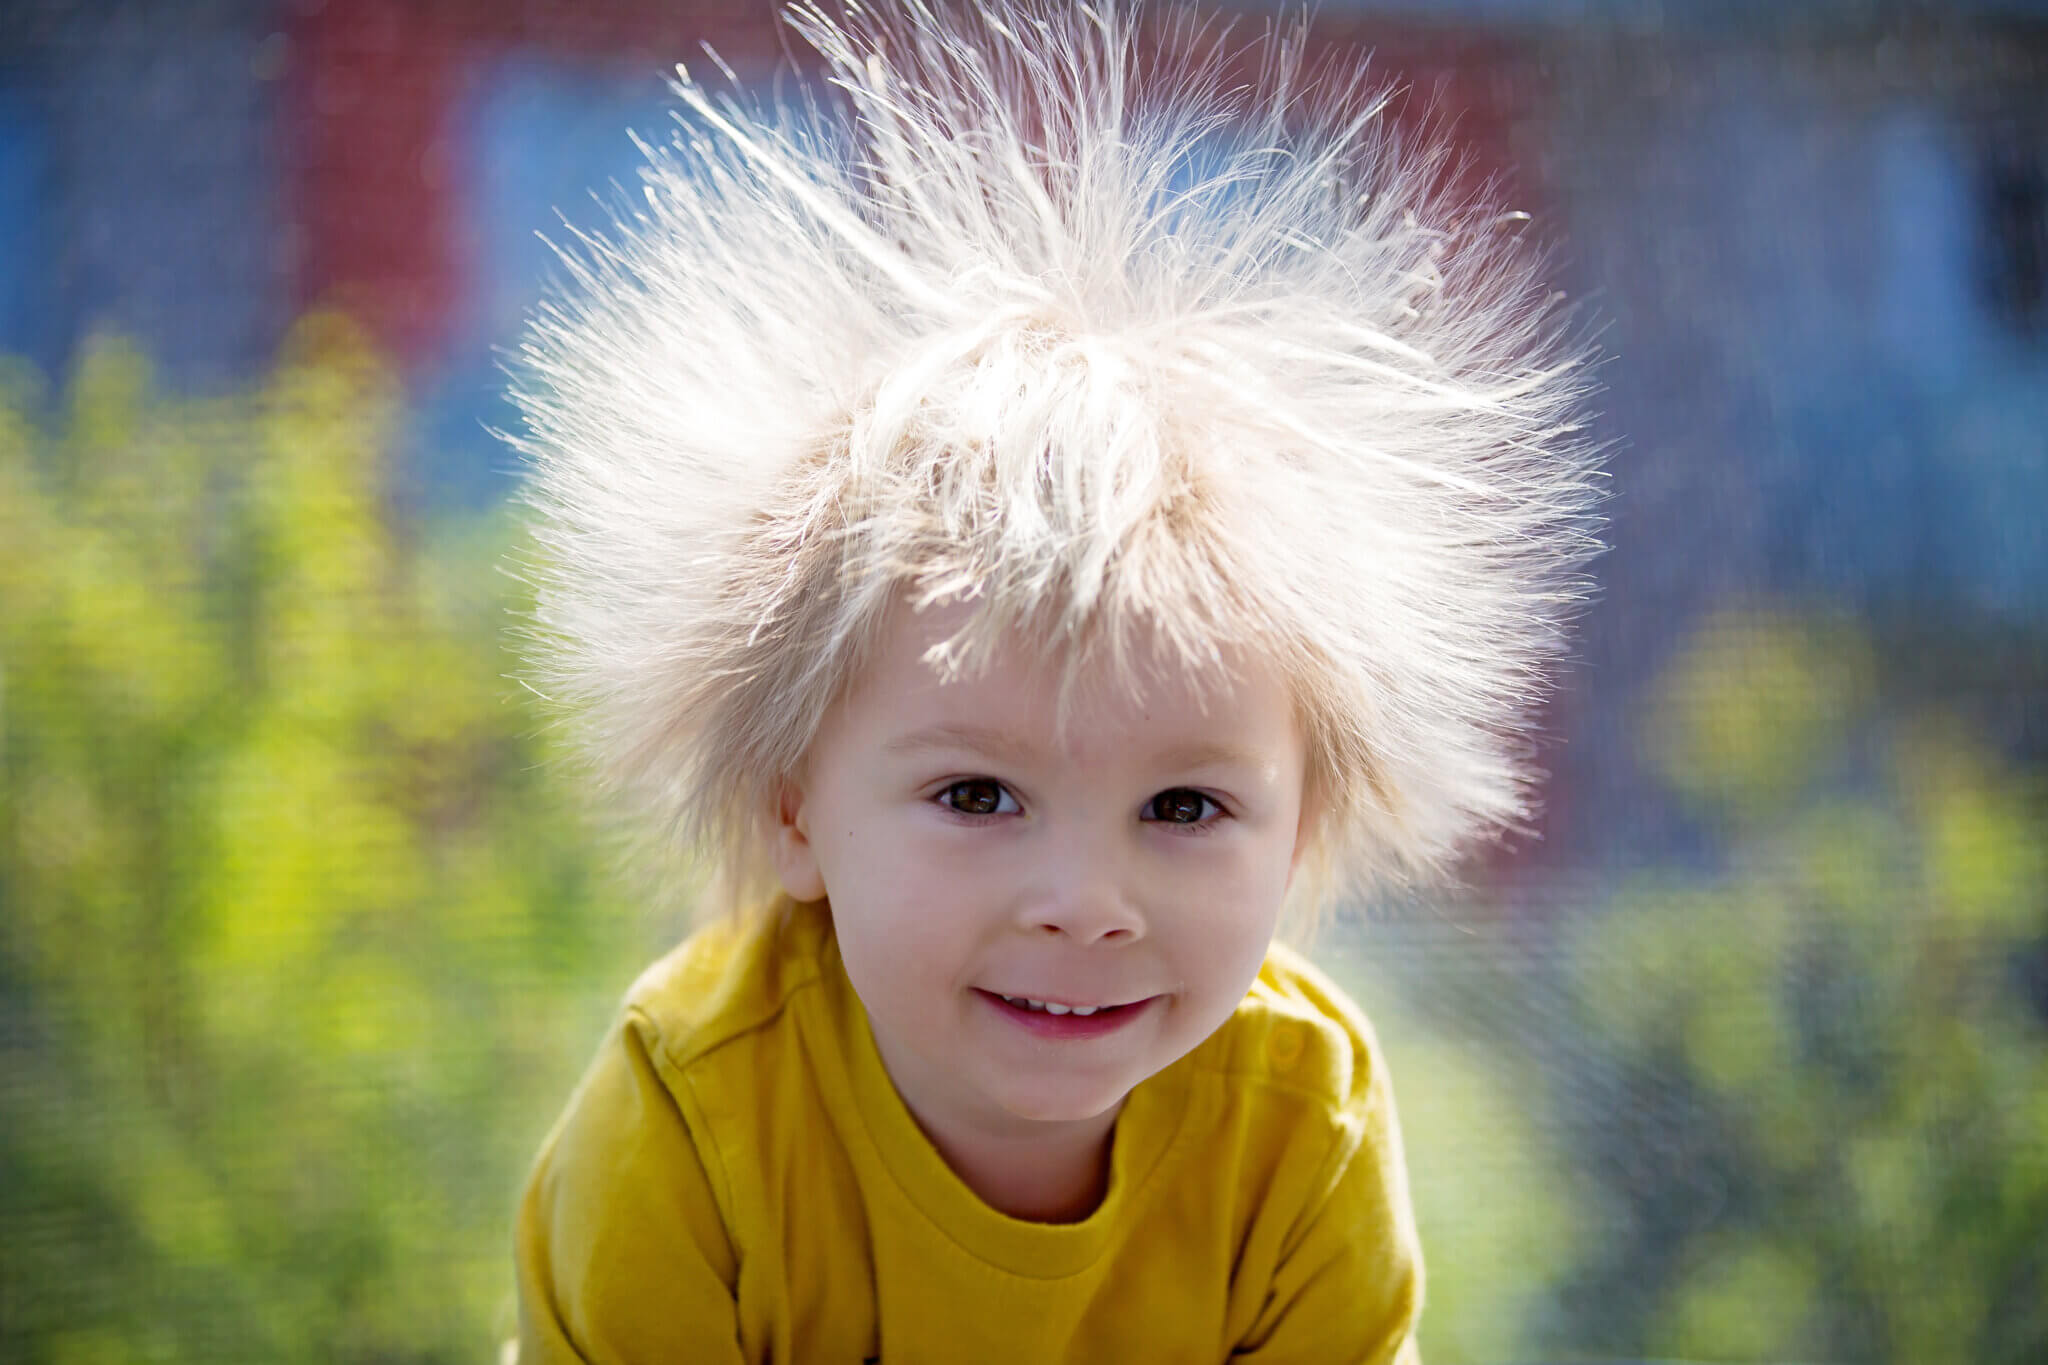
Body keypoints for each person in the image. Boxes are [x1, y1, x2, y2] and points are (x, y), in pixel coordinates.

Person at [505, 2, 1600, 1360]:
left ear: (1306, 821)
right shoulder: (691, 1128)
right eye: (978, 792)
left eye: (1186, 807)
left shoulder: (1296, 1134)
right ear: (794, 805)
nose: (1087, 903)